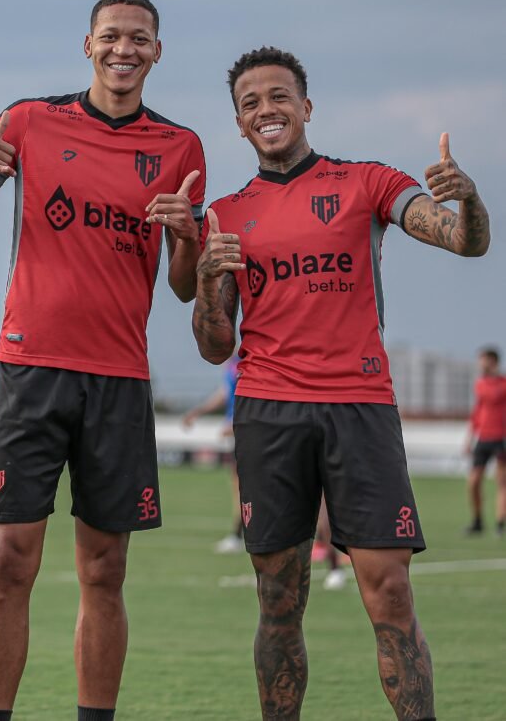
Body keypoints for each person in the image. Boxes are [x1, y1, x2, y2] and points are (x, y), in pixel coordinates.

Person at [194, 45, 490, 720]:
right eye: (250, 103)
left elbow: (465, 241)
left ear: (306, 106)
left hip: (360, 410)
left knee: (390, 593)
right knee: (278, 601)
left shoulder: (367, 183)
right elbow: (215, 347)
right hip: (269, 413)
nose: (266, 110)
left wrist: (469, 199)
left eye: (279, 96)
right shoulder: (226, 214)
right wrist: (209, 281)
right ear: (238, 123)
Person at [0, 0, 206, 721]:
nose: (124, 49)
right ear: (88, 44)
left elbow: (184, 287)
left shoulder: (180, 148)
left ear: (157, 52)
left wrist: (187, 237)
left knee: (105, 570)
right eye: (111, 35)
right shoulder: (29, 120)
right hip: (30, 370)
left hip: (119, 380)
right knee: (8, 563)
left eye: (139, 38)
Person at [180, 355, 242, 552]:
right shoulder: (232, 364)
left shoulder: (239, 364)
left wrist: (237, 421)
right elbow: (225, 394)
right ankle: (239, 535)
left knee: (243, 487)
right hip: (239, 432)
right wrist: (198, 411)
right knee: (241, 486)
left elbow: (248, 395)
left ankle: (239, 536)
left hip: (245, 431)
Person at [465, 346, 506, 536]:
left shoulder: (503, 384)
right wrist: (469, 439)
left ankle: (500, 524)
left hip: (501, 438)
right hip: (483, 438)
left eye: (483, 360)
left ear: (493, 361)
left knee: (502, 481)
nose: (480, 363)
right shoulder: (480, 384)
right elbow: (477, 412)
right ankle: (478, 521)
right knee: (473, 482)